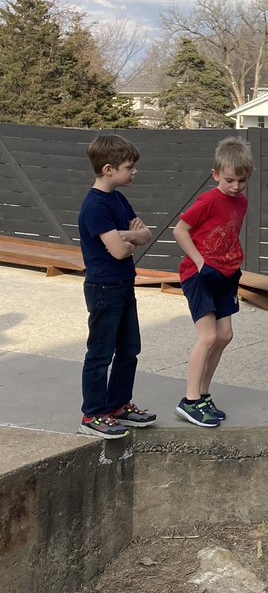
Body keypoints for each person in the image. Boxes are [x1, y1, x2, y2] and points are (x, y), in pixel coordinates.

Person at [77, 134, 156, 439]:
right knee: (100, 352)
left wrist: (125, 236)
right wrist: (129, 237)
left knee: (129, 349)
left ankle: (118, 405)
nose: (134, 172)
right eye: (129, 167)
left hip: (124, 284)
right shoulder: (95, 206)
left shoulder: (119, 199)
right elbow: (121, 251)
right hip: (103, 288)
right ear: (108, 169)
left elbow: (145, 234)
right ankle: (93, 413)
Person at [173, 137, 253, 427]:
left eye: (241, 180)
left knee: (224, 336)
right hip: (200, 275)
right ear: (216, 174)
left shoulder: (241, 201)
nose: (235, 186)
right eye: (230, 180)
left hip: (227, 274)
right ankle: (190, 400)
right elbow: (180, 230)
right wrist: (200, 262)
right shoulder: (208, 200)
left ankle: (204, 394)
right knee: (207, 337)